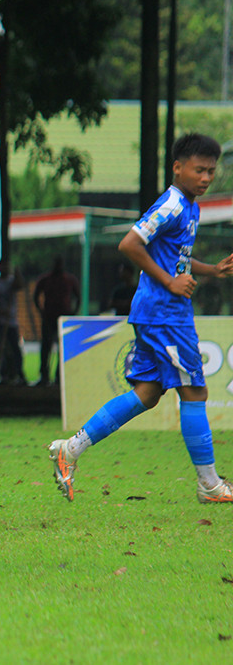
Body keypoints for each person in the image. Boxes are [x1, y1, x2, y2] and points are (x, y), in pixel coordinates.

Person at [49, 133, 233, 504]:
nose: (205, 178)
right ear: (177, 168)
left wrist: (211, 270)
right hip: (165, 314)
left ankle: (70, 448)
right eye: (199, 170)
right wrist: (169, 281)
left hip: (158, 313)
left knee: (147, 393)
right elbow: (130, 244)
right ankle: (209, 484)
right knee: (195, 390)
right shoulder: (172, 204)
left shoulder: (190, 206)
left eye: (211, 171)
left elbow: (177, 259)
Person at [32, 256, 80, 386]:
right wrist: (41, 311)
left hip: (63, 318)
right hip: (49, 317)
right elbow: (36, 295)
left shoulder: (69, 279)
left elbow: (78, 297)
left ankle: (59, 376)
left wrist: (73, 313)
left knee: (62, 348)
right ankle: (44, 375)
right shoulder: (46, 279)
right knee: (46, 347)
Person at [0, 259, 25, 385]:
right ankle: (3, 374)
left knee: (15, 348)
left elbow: (20, 285)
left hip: (11, 322)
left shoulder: (12, 282)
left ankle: (19, 373)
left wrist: (17, 273)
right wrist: (2, 311)